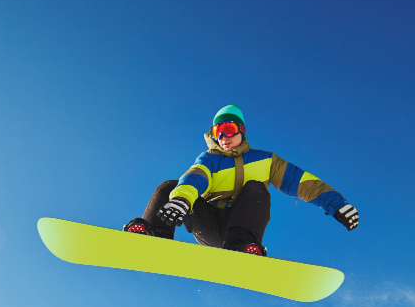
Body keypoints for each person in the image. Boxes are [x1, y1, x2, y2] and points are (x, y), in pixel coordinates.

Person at [124, 105, 358, 256]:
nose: (223, 138)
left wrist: (336, 203)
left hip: (241, 229)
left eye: (228, 129)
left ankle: (242, 248)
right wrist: (182, 199)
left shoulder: (266, 160)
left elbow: (303, 182)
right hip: (209, 224)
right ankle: (154, 235)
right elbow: (196, 176)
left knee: (257, 189)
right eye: (218, 133)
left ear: (241, 130)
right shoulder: (210, 159)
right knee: (169, 186)